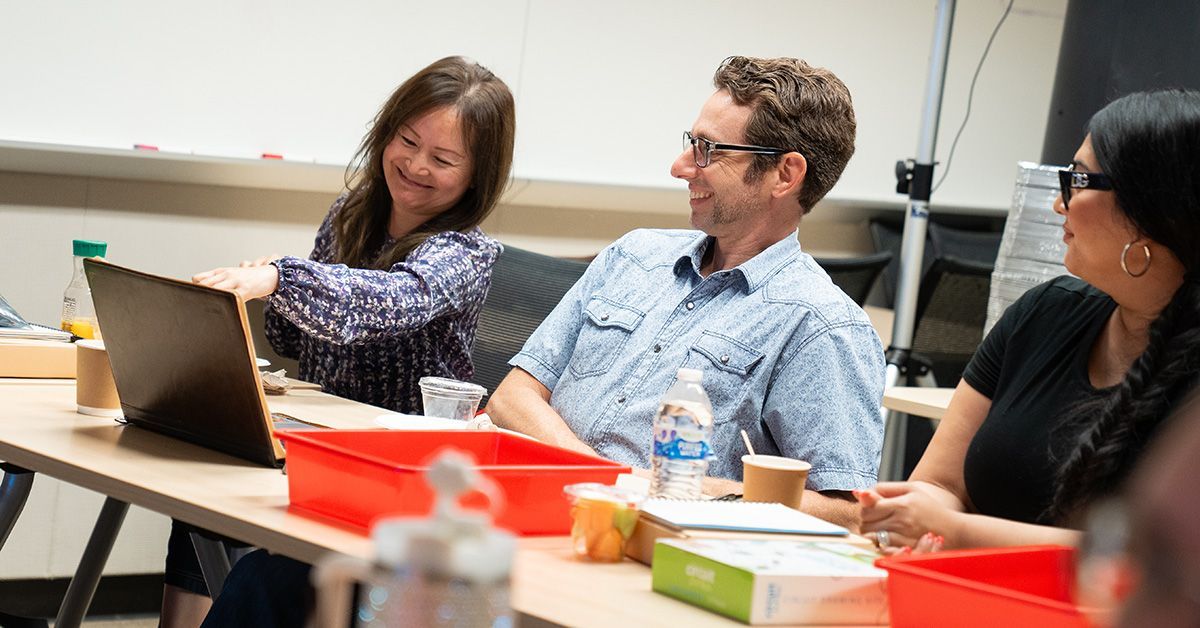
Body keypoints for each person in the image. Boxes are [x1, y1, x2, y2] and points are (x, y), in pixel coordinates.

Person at [160, 55, 516, 627]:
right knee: (196, 494)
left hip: (394, 475)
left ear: (477, 175)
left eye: (443, 159)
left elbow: (389, 301)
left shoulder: (465, 253)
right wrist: (265, 295)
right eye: (406, 140)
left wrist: (284, 277)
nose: (416, 165)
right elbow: (299, 340)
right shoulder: (350, 216)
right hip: (322, 440)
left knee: (266, 575)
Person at [487, 55, 885, 529]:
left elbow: (847, 514)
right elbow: (512, 396)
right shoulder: (635, 254)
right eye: (690, 143)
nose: (680, 167)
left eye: (708, 150)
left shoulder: (818, 326)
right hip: (530, 507)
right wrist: (605, 482)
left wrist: (684, 493)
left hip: (656, 549)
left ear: (785, 174)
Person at [857, 89, 1200, 553]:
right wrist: (915, 517)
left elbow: (1155, 570)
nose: (1060, 204)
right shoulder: (1043, 313)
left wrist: (957, 532)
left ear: (1145, 210)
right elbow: (939, 485)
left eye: (1078, 180)